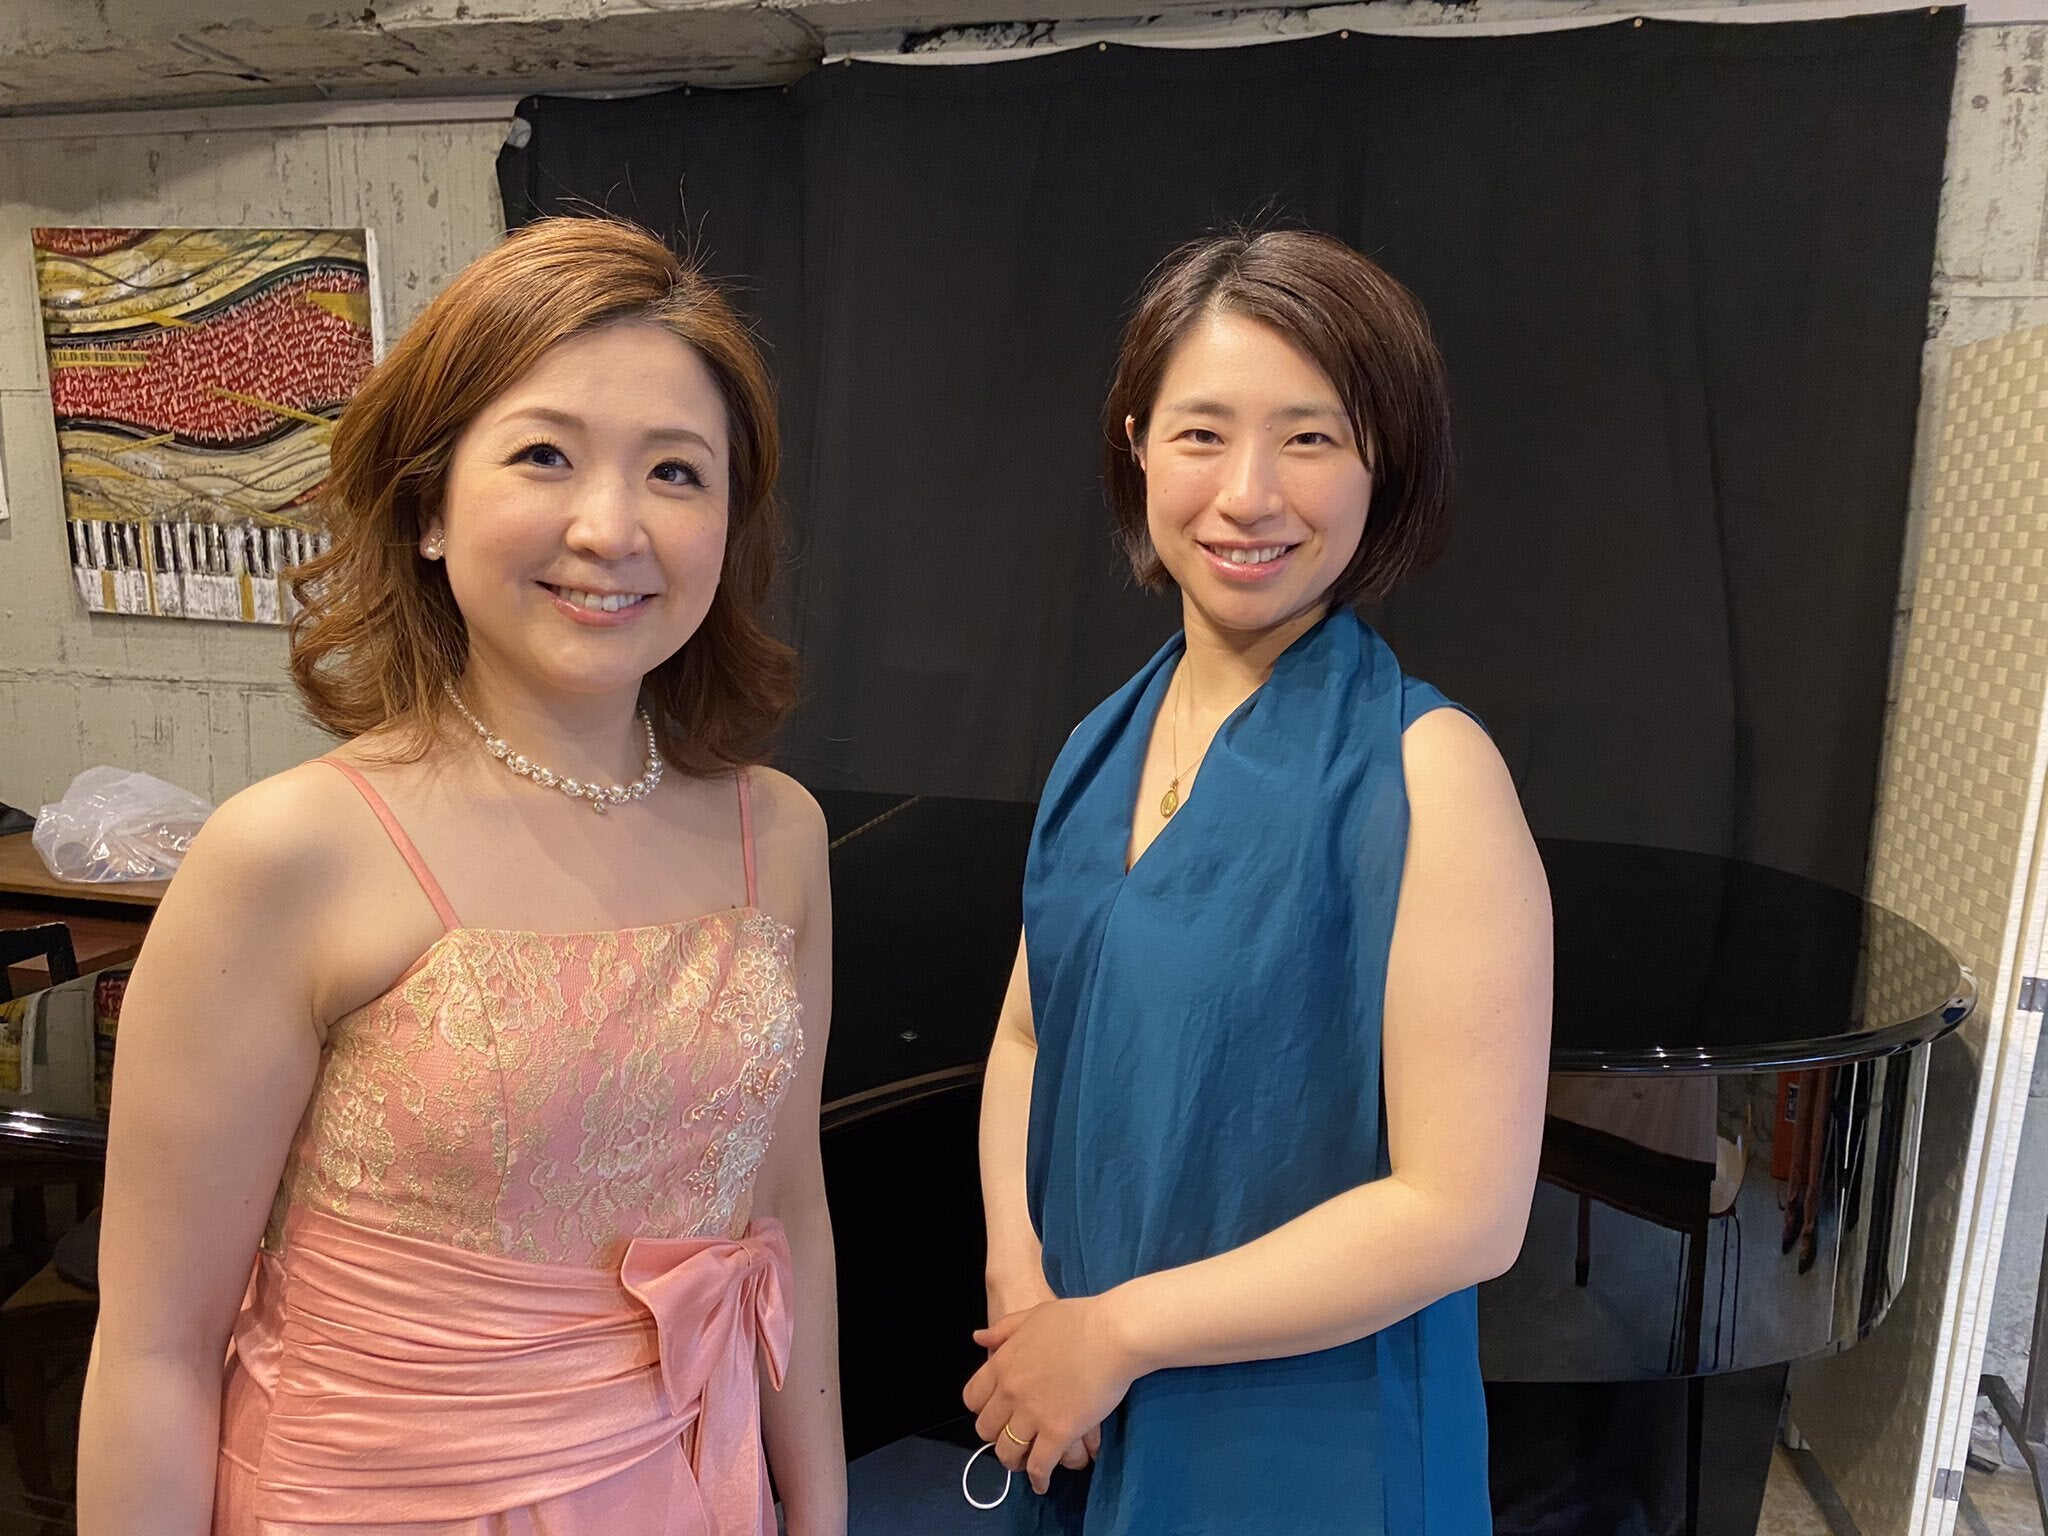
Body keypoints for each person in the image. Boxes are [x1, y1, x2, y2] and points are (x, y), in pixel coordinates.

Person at [77, 217, 845, 1536]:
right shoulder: (292, 853)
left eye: (676, 471)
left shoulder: (775, 835)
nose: (610, 527)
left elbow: (784, 1215)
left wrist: (818, 1515)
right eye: (545, 455)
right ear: (429, 506)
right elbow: (154, 1350)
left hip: (687, 1492)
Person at [969, 229, 1552, 1534]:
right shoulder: (1100, 745)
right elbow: (1026, 1036)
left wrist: (1117, 1331)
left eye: (1309, 439)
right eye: (1201, 434)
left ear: (1381, 464)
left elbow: (1465, 1214)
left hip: (1305, 1444)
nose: (1248, 495)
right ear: (1136, 447)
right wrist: (1022, 1276)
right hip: (1082, 1394)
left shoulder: (1430, 773)